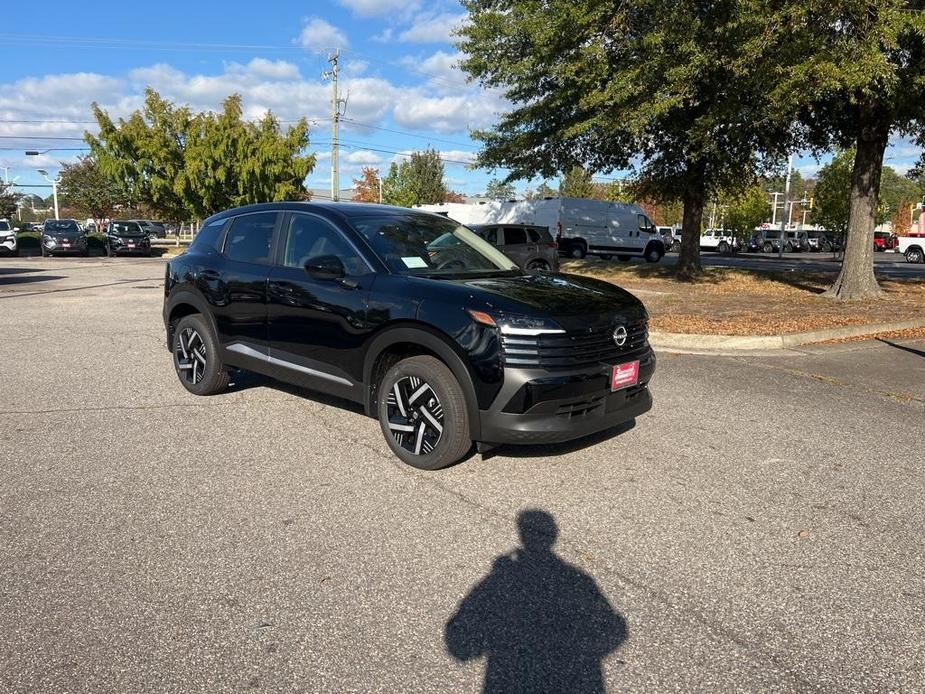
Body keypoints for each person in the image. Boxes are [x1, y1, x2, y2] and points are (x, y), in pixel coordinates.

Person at [445, 510, 627, 693]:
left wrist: (485, 644)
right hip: (573, 682)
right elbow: (616, 628)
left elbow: (458, 639)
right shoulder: (578, 580)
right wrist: (579, 654)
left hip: (511, 681)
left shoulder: (498, 582)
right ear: (554, 535)